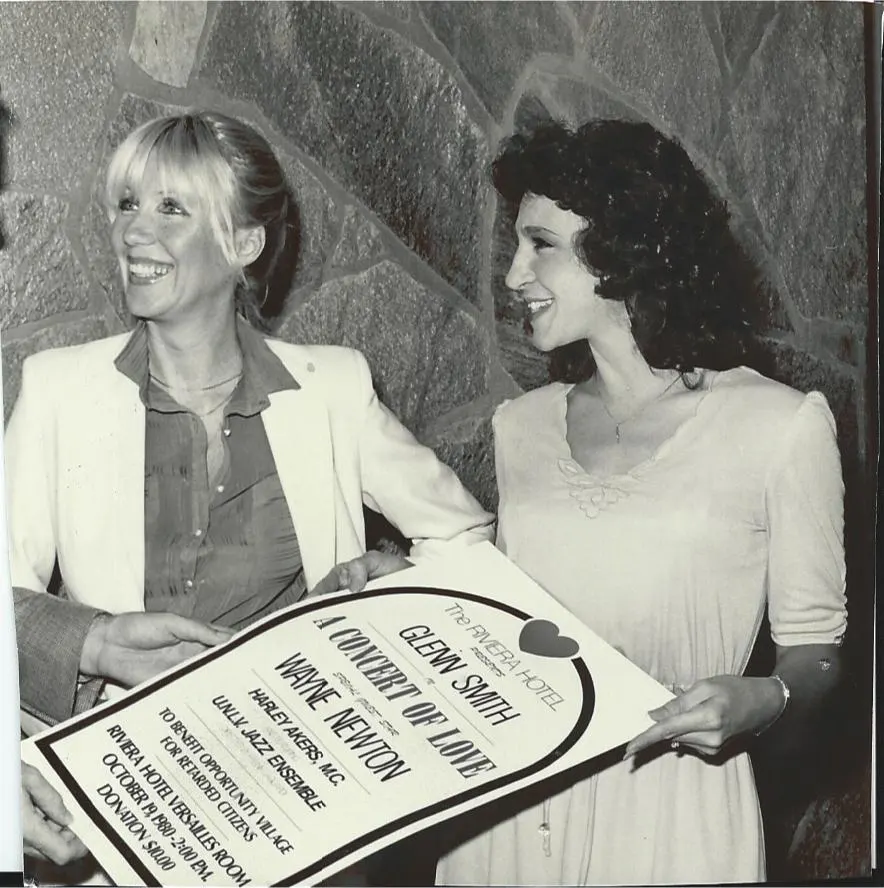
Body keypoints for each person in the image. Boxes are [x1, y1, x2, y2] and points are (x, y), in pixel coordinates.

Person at [337, 120, 848, 885]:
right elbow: (511, 628)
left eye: (541, 244)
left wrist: (764, 698)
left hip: (672, 814)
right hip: (503, 811)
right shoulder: (521, 427)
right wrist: (403, 584)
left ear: (624, 252)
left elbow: (819, 650)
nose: (513, 275)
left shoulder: (781, 425)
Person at [5, 109, 493, 733]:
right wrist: (95, 641)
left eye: (170, 209)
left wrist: (402, 603)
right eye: (127, 205)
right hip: (125, 771)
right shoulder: (58, 389)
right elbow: (6, 606)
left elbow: (464, 537)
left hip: (310, 759)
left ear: (243, 244)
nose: (132, 232)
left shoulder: (334, 388)